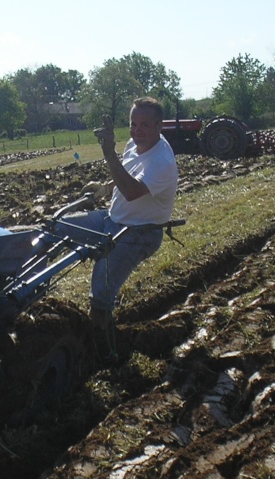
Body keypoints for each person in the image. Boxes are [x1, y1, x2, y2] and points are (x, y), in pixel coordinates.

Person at [56, 96, 178, 362]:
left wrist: (109, 154)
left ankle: (102, 351)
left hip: (140, 232)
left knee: (101, 293)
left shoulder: (163, 162)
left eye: (145, 124)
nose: (137, 131)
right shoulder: (134, 145)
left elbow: (133, 191)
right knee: (58, 227)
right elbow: (125, 177)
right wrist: (106, 188)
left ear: (160, 126)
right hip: (111, 219)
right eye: (133, 124)